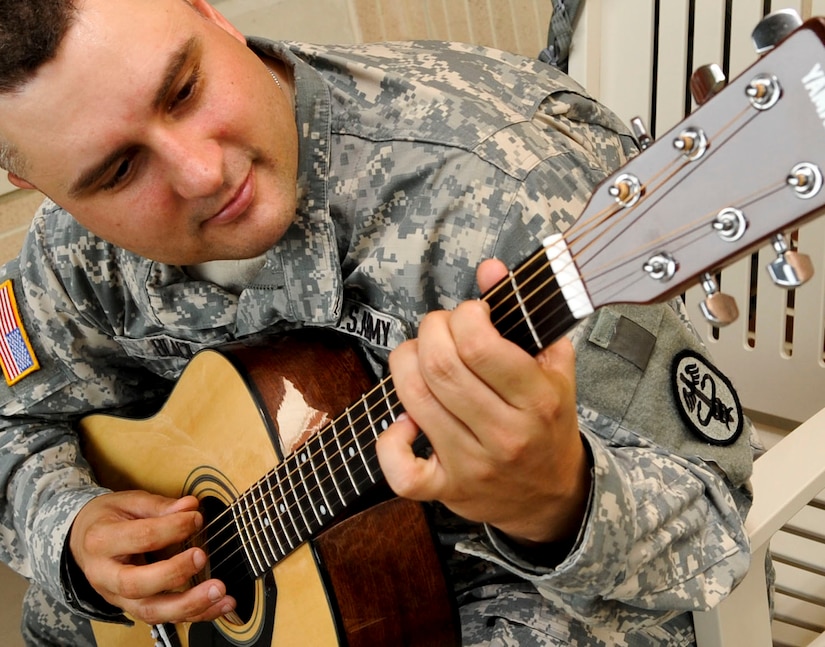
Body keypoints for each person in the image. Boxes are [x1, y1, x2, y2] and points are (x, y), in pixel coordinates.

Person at [0, 0, 756, 645]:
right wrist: (73, 528)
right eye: (118, 172)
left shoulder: (501, 188)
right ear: (37, 185)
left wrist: (554, 497)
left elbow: (712, 519)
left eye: (184, 89)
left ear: (210, 13)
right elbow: (12, 416)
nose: (202, 172)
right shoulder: (75, 253)